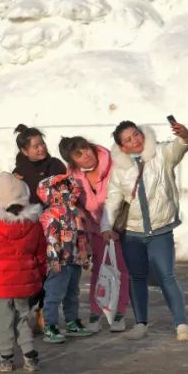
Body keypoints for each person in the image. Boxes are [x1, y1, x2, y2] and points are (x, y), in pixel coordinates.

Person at [102, 119, 188, 342]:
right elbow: (113, 199)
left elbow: (180, 147)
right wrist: (105, 226)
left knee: (167, 276)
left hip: (161, 228)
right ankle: (140, 324)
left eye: (136, 134)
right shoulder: (119, 170)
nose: (135, 140)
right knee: (137, 278)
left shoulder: (161, 153)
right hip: (132, 232)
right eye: (128, 139)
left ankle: (181, 324)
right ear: (122, 147)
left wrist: (184, 135)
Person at [0, 173, 46, 373]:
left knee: (3, 320)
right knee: (23, 317)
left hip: (0, 284)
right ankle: (29, 354)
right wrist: (40, 276)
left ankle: (6, 358)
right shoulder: (34, 225)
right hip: (24, 282)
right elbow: (41, 255)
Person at [59, 135, 130, 333]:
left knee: (121, 270)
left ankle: (119, 313)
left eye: (86, 148)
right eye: (78, 154)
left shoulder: (113, 163)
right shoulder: (72, 175)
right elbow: (75, 204)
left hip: (119, 226)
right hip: (95, 229)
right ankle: (96, 312)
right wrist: (85, 222)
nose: (86, 154)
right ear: (73, 161)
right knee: (98, 271)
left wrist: (112, 226)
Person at [36, 173, 93, 343]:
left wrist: (84, 256)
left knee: (72, 293)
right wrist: (54, 260)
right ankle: (50, 326)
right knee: (54, 294)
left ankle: (72, 322)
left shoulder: (74, 211)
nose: (64, 190)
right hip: (59, 262)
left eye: (66, 186)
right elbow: (51, 239)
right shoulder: (49, 214)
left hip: (74, 260)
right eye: (59, 187)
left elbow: (81, 235)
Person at [12, 125, 66, 205]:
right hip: (31, 211)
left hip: (57, 209)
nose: (41, 148)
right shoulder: (18, 173)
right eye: (36, 147)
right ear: (24, 151)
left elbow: (67, 193)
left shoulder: (55, 164)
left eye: (42, 143)